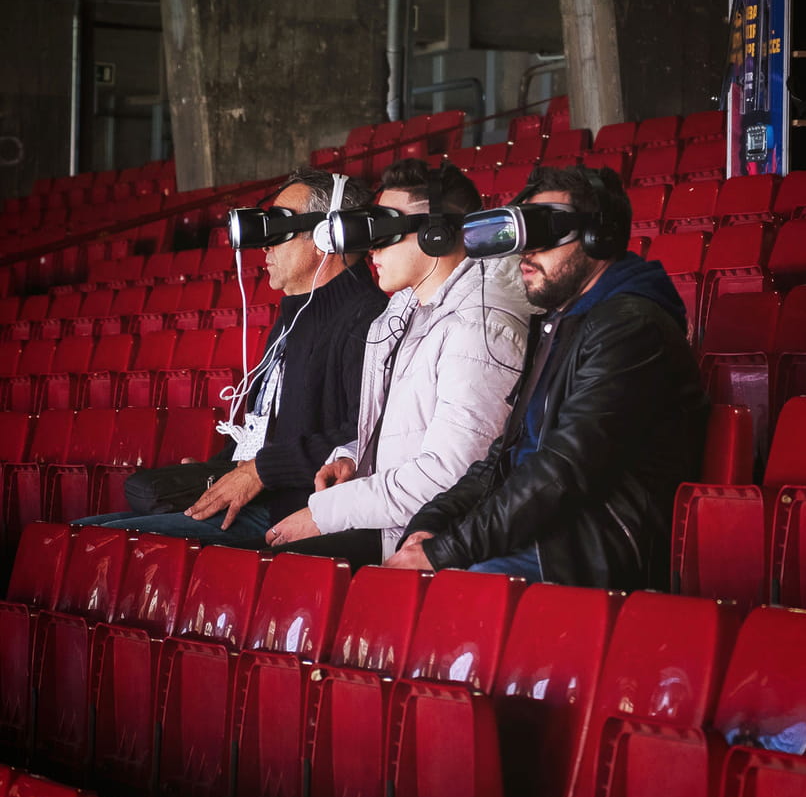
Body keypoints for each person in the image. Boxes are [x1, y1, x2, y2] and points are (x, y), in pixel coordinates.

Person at [384, 164, 708, 588]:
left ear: (599, 237)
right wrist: (430, 524)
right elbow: (503, 458)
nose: (526, 253)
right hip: (550, 529)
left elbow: (564, 470)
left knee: (452, 590)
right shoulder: (563, 321)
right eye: (523, 236)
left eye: (546, 232)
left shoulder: (632, 326)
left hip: (595, 548)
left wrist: (446, 551)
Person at [75, 167, 386, 546]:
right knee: (78, 529)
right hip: (261, 499)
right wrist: (220, 469)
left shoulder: (367, 320)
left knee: (94, 542)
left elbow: (366, 436)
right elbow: (268, 427)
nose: (265, 246)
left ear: (327, 236)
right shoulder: (296, 316)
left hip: (296, 512)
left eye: (279, 229)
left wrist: (259, 472)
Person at [263, 158, 531, 568]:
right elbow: (407, 430)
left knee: (278, 568)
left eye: (385, 233)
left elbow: (450, 476)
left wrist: (324, 513)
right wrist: (354, 454)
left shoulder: (478, 329)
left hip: (430, 539)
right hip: (392, 522)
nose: (372, 248)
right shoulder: (408, 313)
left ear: (436, 235)